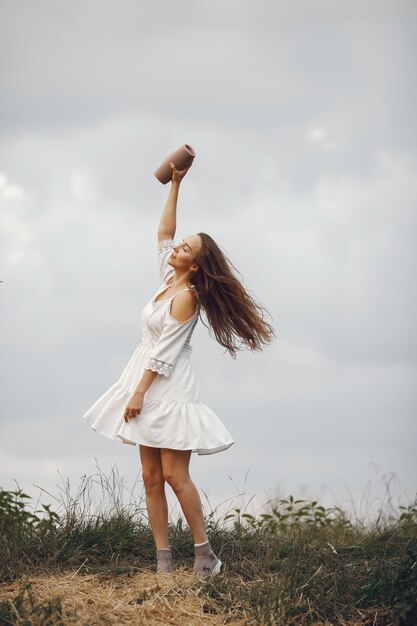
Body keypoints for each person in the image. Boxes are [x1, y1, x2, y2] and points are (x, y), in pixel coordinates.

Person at [83, 160, 275, 575]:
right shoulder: (166, 280)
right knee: (150, 476)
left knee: (174, 474)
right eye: (180, 246)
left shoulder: (186, 296)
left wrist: (138, 393)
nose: (175, 250)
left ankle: (205, 555)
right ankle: (164, 563)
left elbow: (164, 354)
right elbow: (163, 233)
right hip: (145, 378)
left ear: (195, 266)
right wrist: (175, 185)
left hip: (168, 386)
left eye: (184, 250)